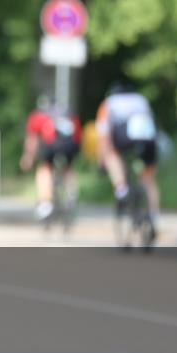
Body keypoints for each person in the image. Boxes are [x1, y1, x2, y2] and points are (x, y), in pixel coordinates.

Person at [95, 82, 160, 242]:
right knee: (148, 180)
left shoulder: (108, 103)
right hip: (147, 139)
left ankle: (122, 188)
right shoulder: (141, 100)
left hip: (124, 137)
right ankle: (153, 217)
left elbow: (104, 137)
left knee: (112, 154)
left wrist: (102, 162)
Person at [20, 95, 81, 220]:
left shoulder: (39, 115)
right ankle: (71, 192)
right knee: (68, 167)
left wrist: (28, 157)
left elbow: (33, 139)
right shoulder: (68, 115)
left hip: (52, 145)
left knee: (44, 168)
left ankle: (45, 203)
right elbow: (78, 136)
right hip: (71, 145)